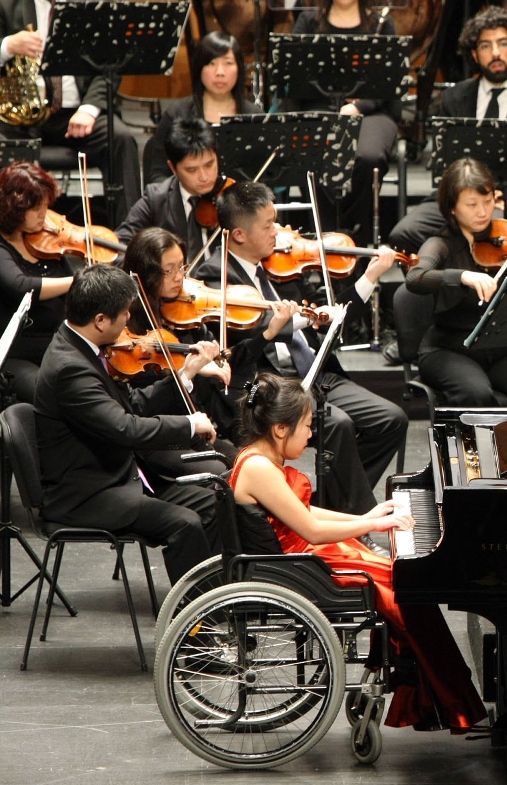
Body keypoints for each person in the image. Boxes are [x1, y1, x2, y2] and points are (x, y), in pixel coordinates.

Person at [229, 372, 487, 731]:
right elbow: (310, 528)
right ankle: (447, 701)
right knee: (405, 589)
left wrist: (365, 518)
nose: (311, 434)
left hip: (306, 556)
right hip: (299, 566)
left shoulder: (258, 458)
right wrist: (372, 525)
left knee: (404, 579)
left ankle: (434, 697)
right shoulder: (259, 468)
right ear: (280, 429)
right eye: (307, 426)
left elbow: (301, 512)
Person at [192, 180, 408, 520]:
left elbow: (327, 313)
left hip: (313, 372)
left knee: (391, 419)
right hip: (264, 386)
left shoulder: (280, 266)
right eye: (268, 225)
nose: (277, 232)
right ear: (239, 235)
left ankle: (329, 509)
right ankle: (359, 521)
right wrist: (289, 323)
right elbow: (241, 346)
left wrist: (369, 277)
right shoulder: (215, 277)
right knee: (337, 424)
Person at [32, 263, 222, 583]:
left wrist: (184, 376)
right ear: (100, 320)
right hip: (88, 494)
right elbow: (125, 428)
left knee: (216, 501)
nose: (127, 320)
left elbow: (132, 404)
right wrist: (189, 424)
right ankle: (197, 611)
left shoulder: (86, 348)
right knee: (184, 523)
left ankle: (221, 594)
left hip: (121, 476)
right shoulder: (70, 368)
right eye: (123, 314)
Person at [388, 6, 507, 257]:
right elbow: (448, 165)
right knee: (404, 233)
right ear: (474, 54)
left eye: (503, 43)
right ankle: (462, 269)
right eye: (485, 46)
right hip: (466, 197)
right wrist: (482, 198)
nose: (495, 53)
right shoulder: (454, 97)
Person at [404, 157, 507, 407]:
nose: (482, 212)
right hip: (449, 349)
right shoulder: (440, 244)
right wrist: (463, 276)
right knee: (476, 394)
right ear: (452, 207)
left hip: (501, 349)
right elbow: (415, 277)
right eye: (472, 204)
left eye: (488, 201)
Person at [121, 225, 295, 445]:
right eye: (169, 271)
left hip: (206, 423)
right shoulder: (129, 329)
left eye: (182, 267)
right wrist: (190, 369)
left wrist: (268, 333)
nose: (180, 278)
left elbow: (226, 359)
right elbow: (143, 399)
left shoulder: (186, 318)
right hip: (164, 433)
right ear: (146, 274)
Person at [0, 0, 141, 225]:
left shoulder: (91, 6)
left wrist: (89, 109)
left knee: (120, 139)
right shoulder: (7, 4)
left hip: (75, 113)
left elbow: (112, 61)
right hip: (19, 117)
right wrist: (7, 46)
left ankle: (129, 233)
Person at [287, 0, 400, 243]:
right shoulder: (308, 22)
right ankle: (325, 240)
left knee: (369, 156)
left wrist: (359, 106)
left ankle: (356, 235)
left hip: (372, 111)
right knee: (313, 153)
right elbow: (294, 76)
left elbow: (389, 81)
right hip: (319, 108)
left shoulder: (382, 24)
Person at [143, 32, 261, 186]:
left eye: (228, 63)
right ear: (199, 68)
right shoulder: (177, 114)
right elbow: (159, 174)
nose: (220, 72)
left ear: (239, 68)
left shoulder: (254, 117)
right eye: (211, 63)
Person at [0, 161, 73, 401]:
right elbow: (21, 286)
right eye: (36, 208)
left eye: (46, 205)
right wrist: (75, 281)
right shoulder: (2, 247)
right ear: (14, 208)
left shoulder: (46, 242)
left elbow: (72, 295)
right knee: (49, 395)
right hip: (17, 356)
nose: (44, 213)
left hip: (58, 348)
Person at [118, 118, 225, 263]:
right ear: (173, 168)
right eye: (191, 170)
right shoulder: (156, 199)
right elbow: (120, 248)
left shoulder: (232, 197)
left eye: (209, 164)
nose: (204, 177)